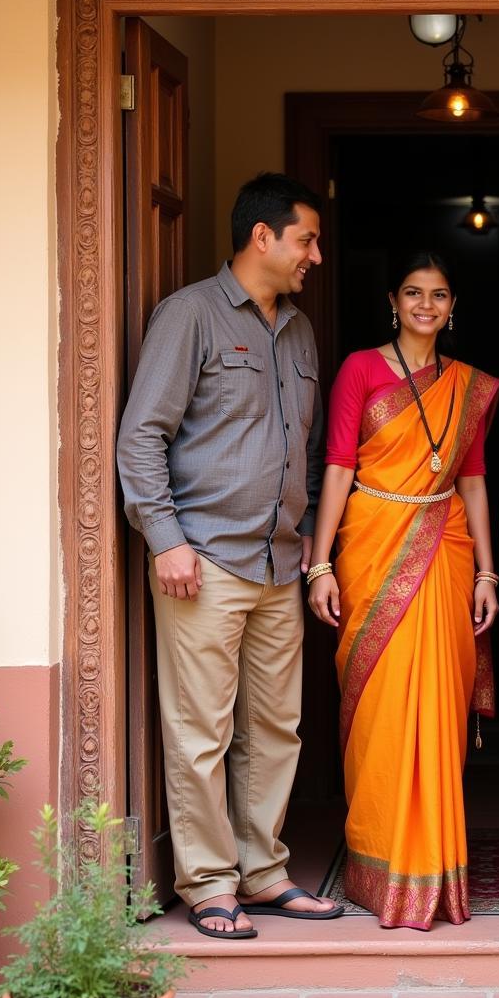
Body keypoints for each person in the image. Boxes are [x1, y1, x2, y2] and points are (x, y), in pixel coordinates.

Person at [117, 172, 343, 940]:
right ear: (263, 237)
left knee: (276, 730)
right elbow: (142, 434)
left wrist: (308, 522)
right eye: (306, 238)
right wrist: (167, 540)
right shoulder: (190, 317)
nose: (316, 254)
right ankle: (210, 884)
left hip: (279, 563)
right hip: (204, 561)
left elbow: (305, 447)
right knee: (201, 731)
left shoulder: (302, 331)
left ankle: (265, 872)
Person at [307, 251, 499, 930]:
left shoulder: (466, 385)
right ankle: (378, 858)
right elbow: (337, 465)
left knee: (438, 707)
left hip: (446, 546)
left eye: (439, 295)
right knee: (380, 702)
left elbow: (473, 477)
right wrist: (320, 564)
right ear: (393, 300)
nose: (426, 305)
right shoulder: (360, 368)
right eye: (414, 293)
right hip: (371, 539)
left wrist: (486, 570)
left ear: (453, 307)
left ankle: (433, 869)